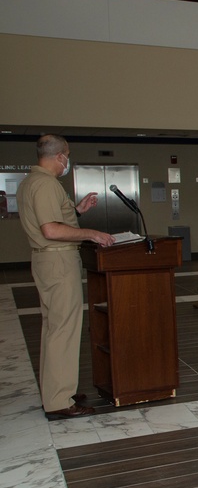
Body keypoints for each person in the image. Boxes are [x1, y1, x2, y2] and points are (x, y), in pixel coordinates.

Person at [17, 134, 115, 419]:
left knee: (53, 328)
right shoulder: (46, 184)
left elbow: (52, 220)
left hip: (46, 260)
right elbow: (51, 230)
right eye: (67, 155)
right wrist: (91, 233)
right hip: (57, 259)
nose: (67, 161)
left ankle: (56, 391)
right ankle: (60, 400)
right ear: (60, 156)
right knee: (63, 329)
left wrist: (77, 210)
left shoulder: (30, 183)